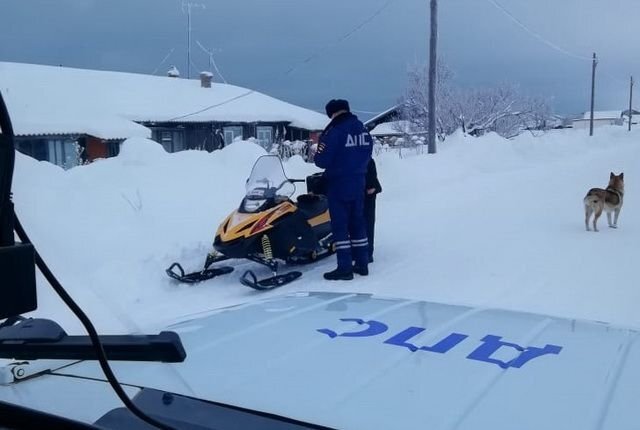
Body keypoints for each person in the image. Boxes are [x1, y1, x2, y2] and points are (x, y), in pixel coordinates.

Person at [314, 99, 373, 281]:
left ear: (331, 113)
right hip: (359, 182)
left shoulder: (335, 131)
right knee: (358, 222)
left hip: (339, 183)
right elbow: (368, 155)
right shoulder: (363, 129)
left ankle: (344, 268)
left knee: (340, 226)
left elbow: (321, 161)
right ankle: (362, 264)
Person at [364, 158, 382, 263]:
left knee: (367, 223)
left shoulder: (368, 160)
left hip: (367, 194)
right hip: (360, 193)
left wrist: (373, 187)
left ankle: (367, 252)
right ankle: (364, 251)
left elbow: (372, 177)